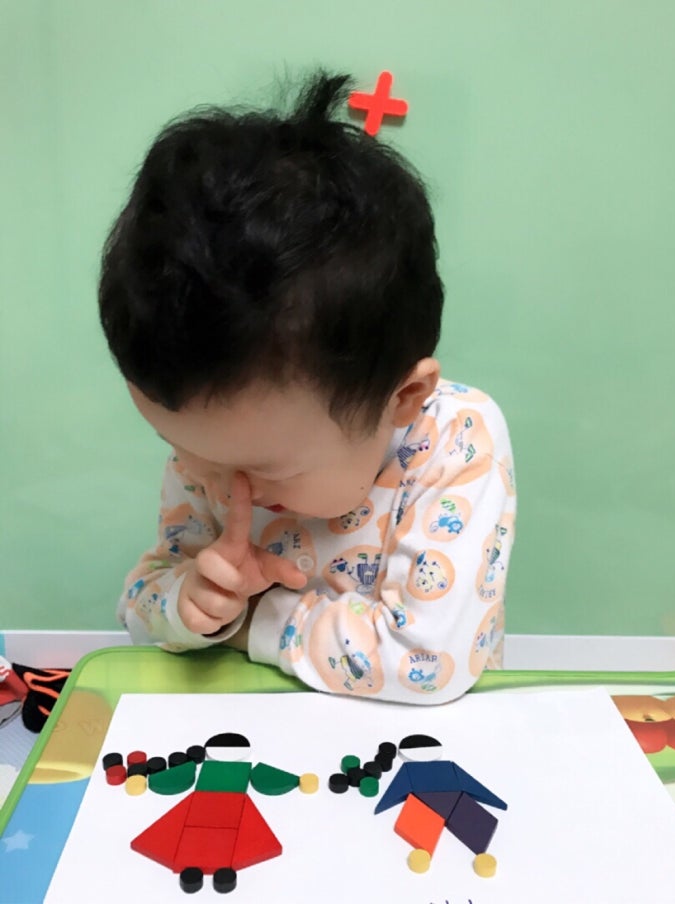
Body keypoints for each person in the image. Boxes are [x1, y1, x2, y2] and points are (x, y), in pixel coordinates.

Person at [99, 70, 516, 704]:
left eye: (265, 472)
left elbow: (426, 662)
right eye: (178, 447)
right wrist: (190, 603)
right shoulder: (212, 453)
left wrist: (251, 622)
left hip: (413, 738)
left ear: (401, 400)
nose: (221, 489)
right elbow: (138, 605)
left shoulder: (455, 442)